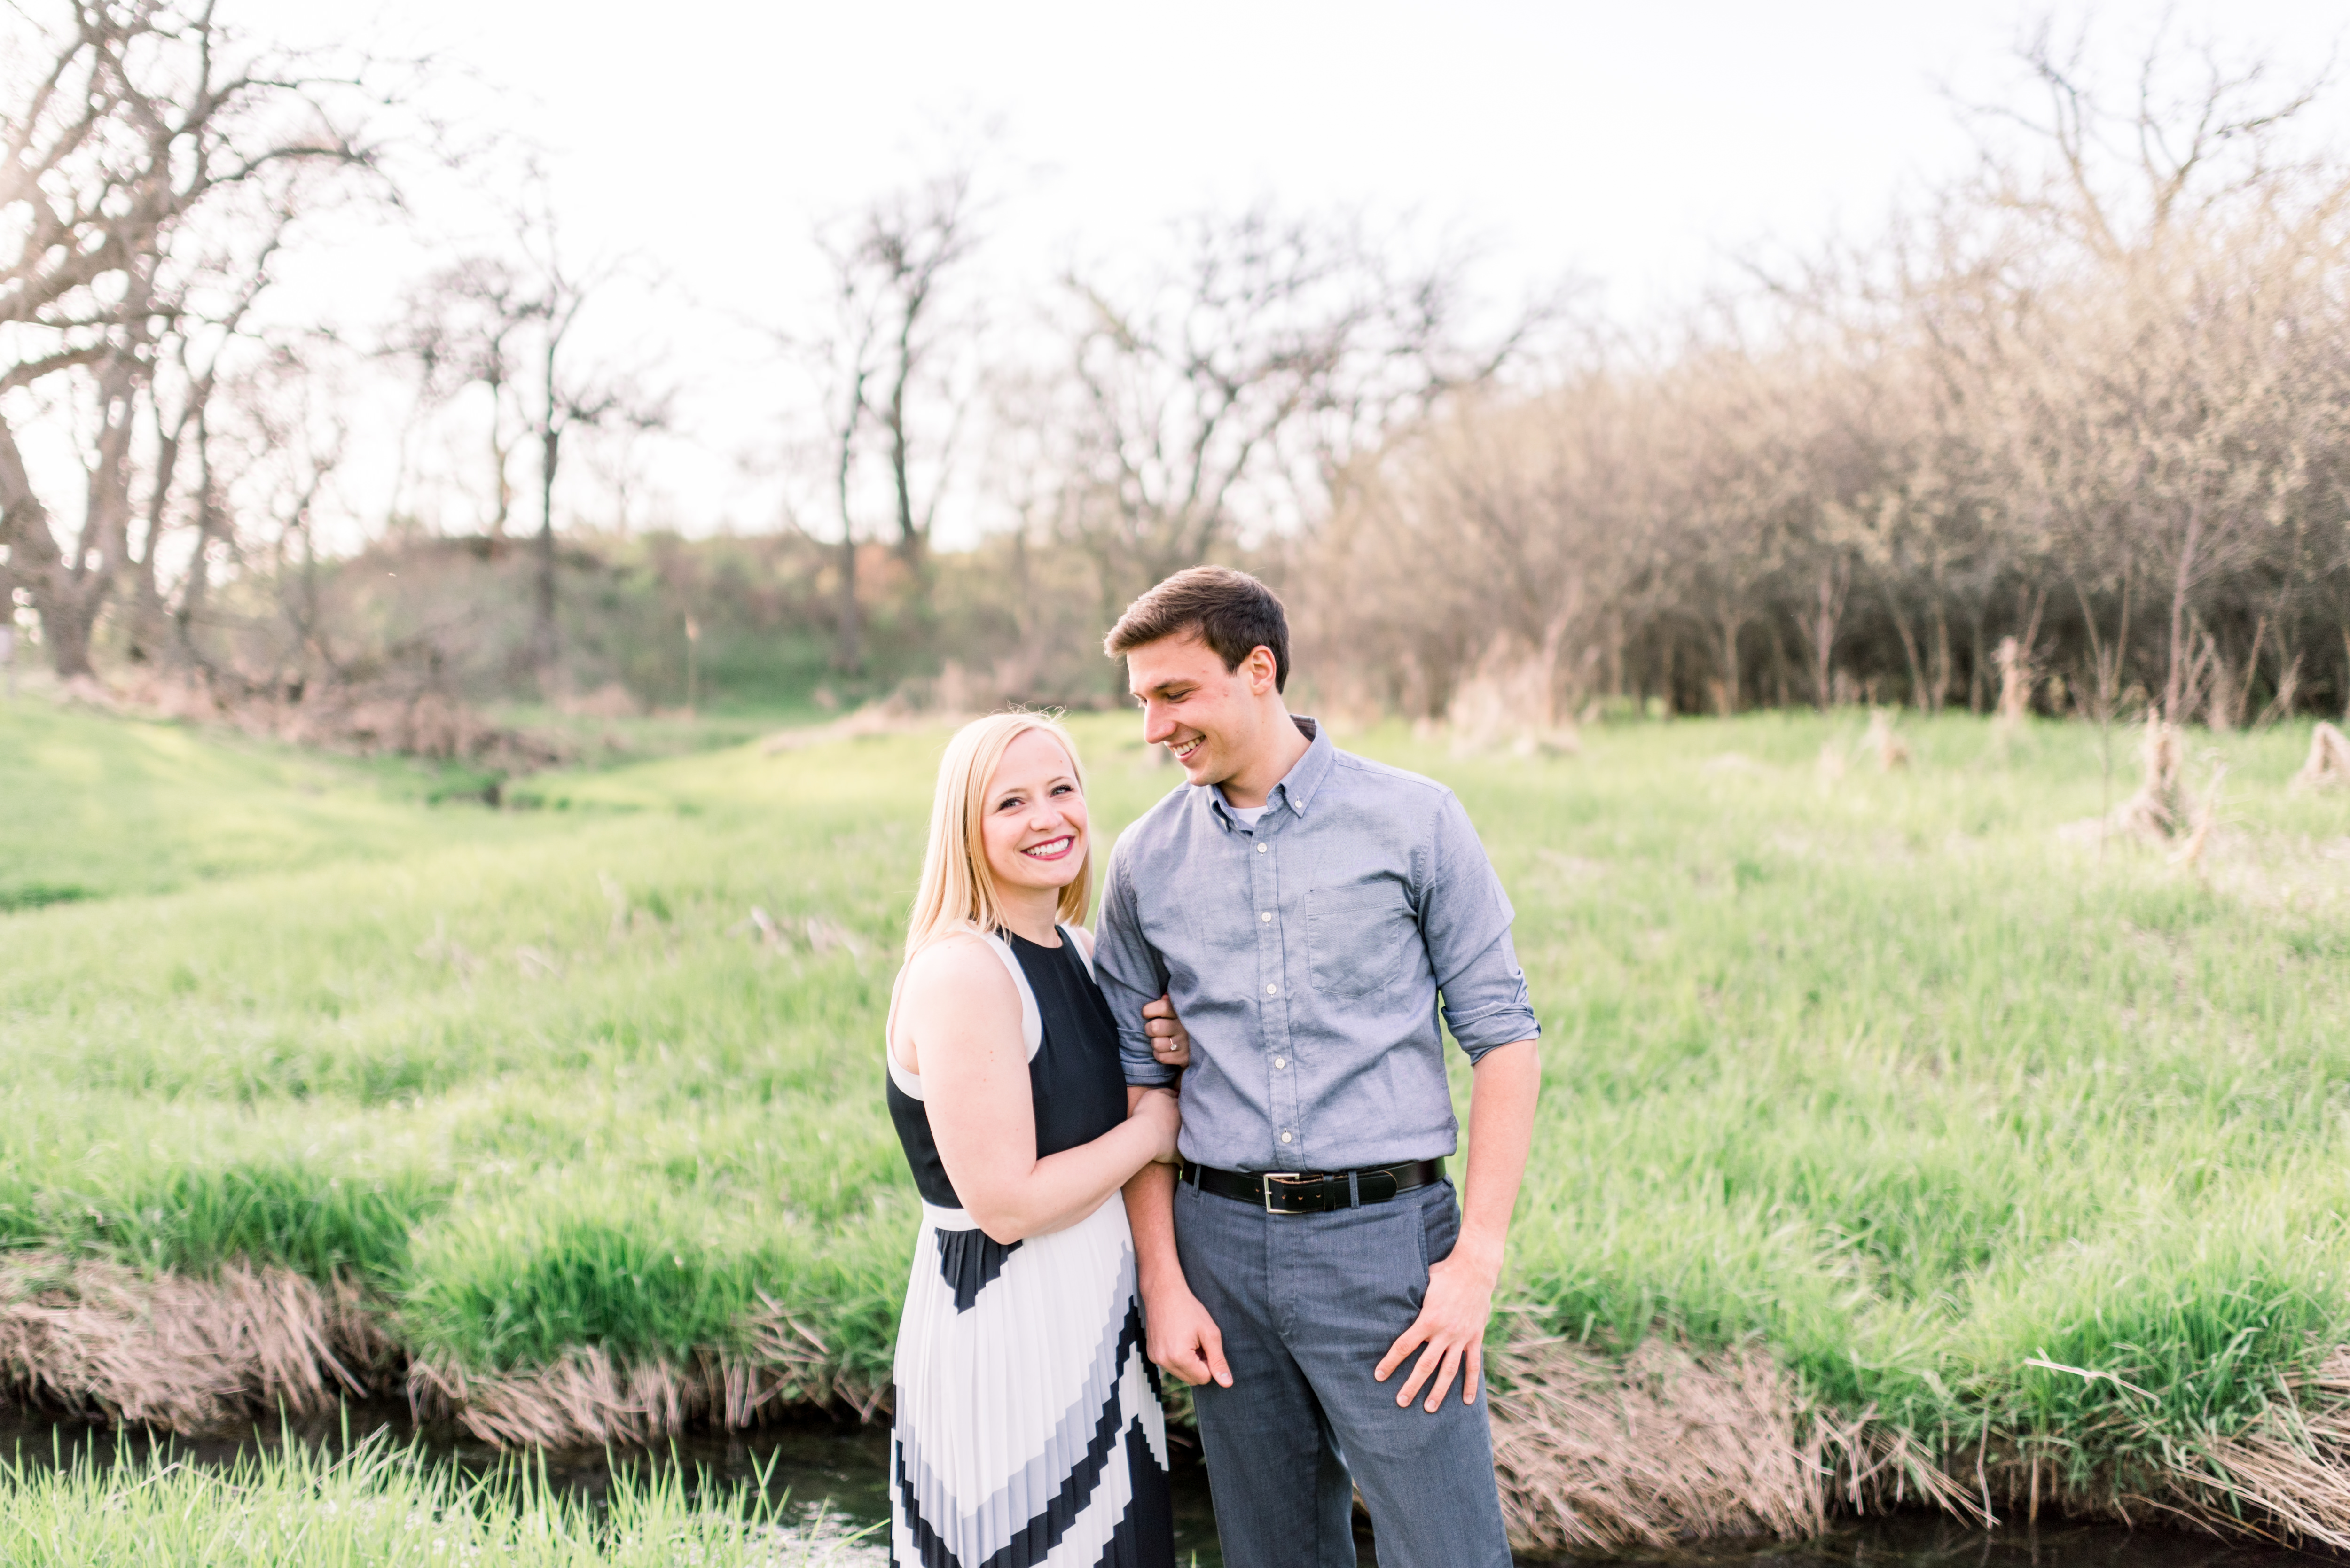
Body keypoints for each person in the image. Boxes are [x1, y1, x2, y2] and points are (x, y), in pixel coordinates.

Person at [1094, 567, 1543, 1568]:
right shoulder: (1143, 862)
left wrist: (1473, 1262)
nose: (1153, 728)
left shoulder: (1416, 821)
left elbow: (1504, 1038)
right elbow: (1142, 1074)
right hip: (1218, 1254)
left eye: (1175, 694)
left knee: (1451, 1553)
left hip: (1387, 1253)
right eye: (1141, 703)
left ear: (1258, 670)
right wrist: (1164, 1281)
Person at [885, 710, 1194, 1568]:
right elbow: (1006, 1203)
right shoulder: (962, 971)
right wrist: (1151, 1129)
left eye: (1062, 789)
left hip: (1098, 1323)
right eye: (1010, 801)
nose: (1048, 817)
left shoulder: (1084, 950)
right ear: (967, 829)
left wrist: (1168, 1058)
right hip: (1003, 1329)